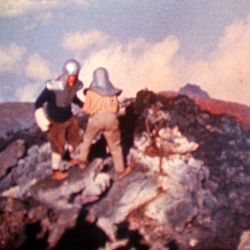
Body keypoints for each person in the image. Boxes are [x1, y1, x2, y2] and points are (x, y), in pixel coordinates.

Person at [34, 59, 84, 180]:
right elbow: (38, 103)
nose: (72, 79)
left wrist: (83, 105)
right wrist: (41, 117)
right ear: (66, 74)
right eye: (71, 77)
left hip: (69, 117)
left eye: (74, 77)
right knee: (58, 147)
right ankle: (55, 171)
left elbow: (72, 97)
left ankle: (68, 156)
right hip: (55, 121)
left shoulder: (74, 86)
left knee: (75, 140)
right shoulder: (53, 87)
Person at [78, 67, 131, 179]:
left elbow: (86, 109)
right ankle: (120, 171)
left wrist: (94, 111)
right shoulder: (112, 93)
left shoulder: (90, 92)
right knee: (115, 146)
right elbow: (115, 107)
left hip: (96, 118)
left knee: (87, 139)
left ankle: (82, 161)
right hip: (111, 119)